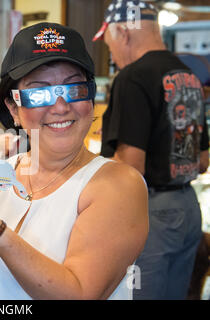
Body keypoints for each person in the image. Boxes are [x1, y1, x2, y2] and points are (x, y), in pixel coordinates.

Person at [0, 22, 148, 300]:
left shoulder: (118, 185)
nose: (59, 106)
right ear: (14, 109)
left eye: (74, 89)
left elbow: (80, 294)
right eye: (39, 93)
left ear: (90, 97)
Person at [93, 0, 209, 300]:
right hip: (187, 208)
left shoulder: (132, 78)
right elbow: (203, 161)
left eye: (110, 43)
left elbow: (131, 168)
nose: (114, 55)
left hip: (151, 212)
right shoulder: (189, 76)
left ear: (123, 33)